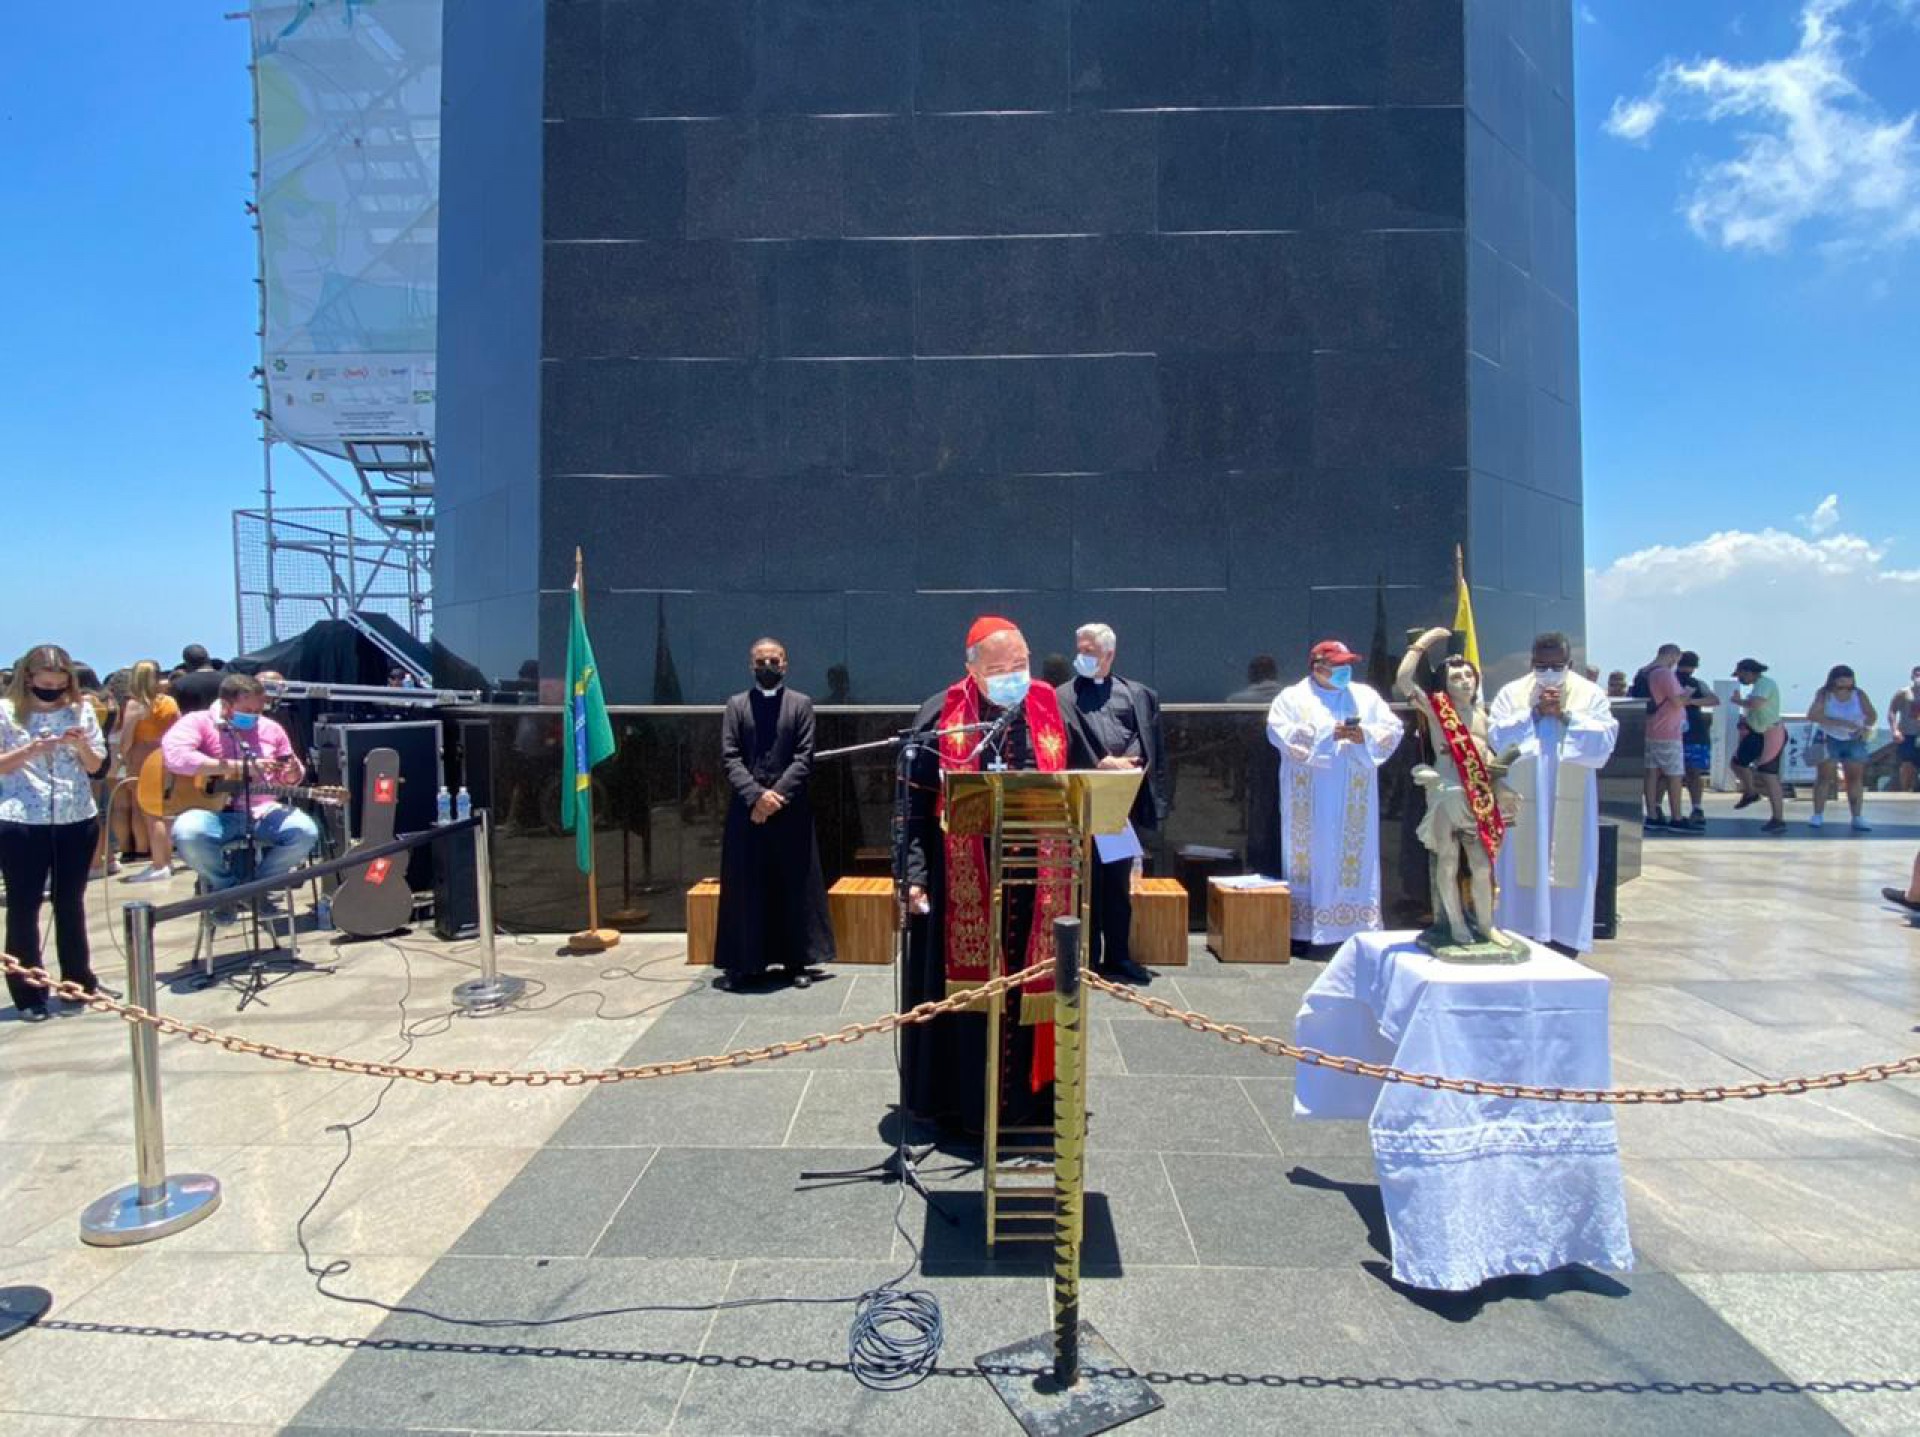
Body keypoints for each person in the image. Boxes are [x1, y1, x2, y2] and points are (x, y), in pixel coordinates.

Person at [901, 617, 1071, 1135]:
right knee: (964, 1006)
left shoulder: (1050, 705)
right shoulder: (942, 713)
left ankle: (1032, 1104)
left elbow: (1083, 777)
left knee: (1031, 995)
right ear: (971, 669)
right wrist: (912, 875)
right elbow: (913, 806)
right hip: (962, 886)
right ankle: (964, 1108)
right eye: (1000, 669)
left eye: (1021, 664)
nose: (1014, 676)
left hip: (1039, 884)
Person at [712, 638, 835, 989]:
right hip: (747, 812)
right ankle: (744, 964)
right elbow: (730, 757)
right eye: (761, 661)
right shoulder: (736, 705)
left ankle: (797, 962)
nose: (768, 666)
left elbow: (804, 757)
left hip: (790, 810)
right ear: (751, 666)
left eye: (774, 661)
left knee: (793, 886)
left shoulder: (801, 704)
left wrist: (775, 797)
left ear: (785, 664)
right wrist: (756, 797)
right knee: (746, 887)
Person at [1267, 638, 1404, 945]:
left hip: (1354, 790)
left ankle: (1352, 928)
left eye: (1348, 665)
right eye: (1339, 666)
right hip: (1311, 794)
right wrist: (1329, 733)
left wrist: (1363, 735)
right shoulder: (1293, 697)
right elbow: (1279, 732)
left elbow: (1392, 728)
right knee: (1313, 855)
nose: (1346, 671)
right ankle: (1306, 931)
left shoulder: (1365, 696)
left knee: (1353, 857)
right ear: (1318, 667)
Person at [1489, 633, 1619, 954]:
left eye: (1556, 666)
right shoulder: (1512, 693)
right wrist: (1534, 713)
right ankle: (1518, 931)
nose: (1548, 672)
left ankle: (1563, 938)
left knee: (1569, 866)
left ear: (1569, 664)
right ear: (1531, 663)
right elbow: (1497, 737)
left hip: (1571, 800)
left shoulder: (1590, 694)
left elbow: (1605, 742)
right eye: (1541, 665)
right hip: (1523, 795)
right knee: (1520, 864)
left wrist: (1565, 715)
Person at [1056, 623, 1169, 984]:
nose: (1082, 656)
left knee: (1118, 885)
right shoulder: (1063, 697)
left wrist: (1127, 762)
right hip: (1082, 801)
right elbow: (1062, 743)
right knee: (1083, 885)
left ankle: (1118, 956)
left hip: (1121, 804)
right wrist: (1100, 763)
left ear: (1109, 654)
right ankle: (1085, 958)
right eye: (1079, 649)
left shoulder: (1136, 694)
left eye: (1089, 651)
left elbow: (1147, 738)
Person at [161, 673, 320, 924]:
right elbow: (176, 757)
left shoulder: (271, 729)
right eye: (247, 710)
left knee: (304, 831)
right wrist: (235, 767)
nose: (254, 716)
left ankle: (257, 887)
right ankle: (226, 889)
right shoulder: (197, 722)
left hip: (261, 809)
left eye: (259, 710)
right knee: (188, 833)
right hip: (212, 812)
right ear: (226, 705)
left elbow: (288, 772)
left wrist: (293, 774)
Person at [1, 646, 106, 1021]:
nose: (52, 692)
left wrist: (80, 745)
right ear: (29, 679)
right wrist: (31, 749)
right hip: (22, 820)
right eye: (45, 685)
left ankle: (78, 980)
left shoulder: (81, 710)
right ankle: (28, 992)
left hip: (75, 816)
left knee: (70, 903)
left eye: (59, 685)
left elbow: (97, 766)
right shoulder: (6, 712)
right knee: (23, 906)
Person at [114, 660, 181, 883]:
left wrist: (123, 757)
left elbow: (126, 740)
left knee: (150, 813)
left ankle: (159, 863)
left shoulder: (135, 704)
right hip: (167, 755)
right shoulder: (169, 701)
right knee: (165, 811)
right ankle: (167, 860)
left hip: (143, 759)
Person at [1806, 664, 1877, 833]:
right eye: (1841, 685)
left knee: (1854, 778)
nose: (1844, 689)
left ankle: (1857, 816)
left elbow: (1872, 715)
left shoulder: (1859, 695)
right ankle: (1818, 814)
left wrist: (1864, 727)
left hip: (1854, 739)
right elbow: (1813, 715)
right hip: (1829, 737)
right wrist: (1840, 723)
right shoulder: (1824, 694)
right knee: (1824, 777)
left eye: (1848, 686)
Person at [1729, 658, 1787, 834]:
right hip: (1756, 732)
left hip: (1771, 733)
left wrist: (1738, 701)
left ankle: (1778, 818)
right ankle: (1751, 792)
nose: (1739, 679)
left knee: (1769, 775)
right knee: (1737, 763)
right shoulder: (1757, 687)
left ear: (1749, 672)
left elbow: (1757, 704)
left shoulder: (1765, 684)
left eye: (1740, 675)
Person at [1638, 644, 1691, 833]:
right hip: (1668, 731)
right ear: (1673, 655)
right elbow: (1678, 701)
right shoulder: (1665, 674)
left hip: (1650, 728)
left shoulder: (1644, 672)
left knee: (1651, 773)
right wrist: (1688, 693)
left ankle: (1652, 815)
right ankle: (1676, 817)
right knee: (1674, 775)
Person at [1676, 651, 1718, 828]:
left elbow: (1714, 700)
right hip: (1695, 732)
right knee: (1694, 773)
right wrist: (1694, 702)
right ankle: (1696, 807)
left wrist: (1690, 701)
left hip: (1676, 731)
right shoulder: (1697, 683)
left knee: (1667, 774)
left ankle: (1661, 808)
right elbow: (1714, 700)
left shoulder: (1672, 680)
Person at [1889, 666, 1920, 793]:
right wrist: (1895, 730)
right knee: (1907, 763)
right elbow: (1892, 711)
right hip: (1907, 733)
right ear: (1912, 677)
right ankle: (1906, 791)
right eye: (1917, 675)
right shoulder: (1903, 693)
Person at [170, 644, 223, 715]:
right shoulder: (227, 680)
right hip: (224, 721)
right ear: (208, 658)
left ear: (187, 662)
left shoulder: (180, 685)